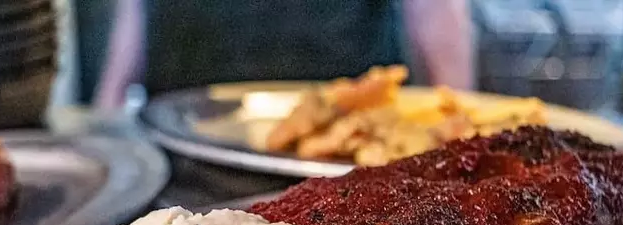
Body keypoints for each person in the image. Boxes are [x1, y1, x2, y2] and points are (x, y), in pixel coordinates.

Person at [92, 0, 475, 109]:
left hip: (339, 145)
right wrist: (108, 103)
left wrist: (461, 121)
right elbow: (139, 9)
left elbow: (434, 9)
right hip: (179, 134)